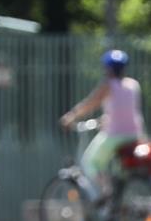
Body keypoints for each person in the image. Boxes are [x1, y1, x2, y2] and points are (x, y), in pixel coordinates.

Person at [60, 49, 144, 195]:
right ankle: (117, 195)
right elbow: (125, 109)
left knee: (90, 162)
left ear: (108, 68)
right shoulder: (133, 85)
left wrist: (70, 117)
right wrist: (104, 119)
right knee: (119, 170)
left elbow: (90, 104)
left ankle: (106, 193)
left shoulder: (108, 85)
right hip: (135, 134)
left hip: (115, 135)